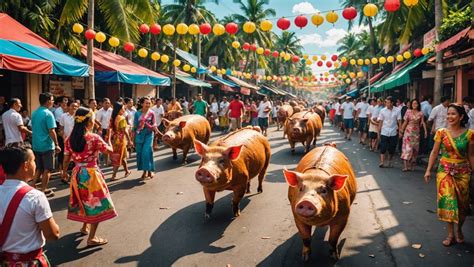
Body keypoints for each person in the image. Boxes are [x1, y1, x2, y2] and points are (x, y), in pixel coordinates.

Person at [62, 107, 116, 247]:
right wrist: (108, 138)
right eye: (92, 119)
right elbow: (110, 151)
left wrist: (64, 172)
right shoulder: (94, 138)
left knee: (83, 201)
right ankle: (91, 238)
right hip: (91, 174)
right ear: (89, 122)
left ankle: (85, 227)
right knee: (95, 204)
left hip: (77, 174)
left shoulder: (70, 139)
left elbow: (66, 158)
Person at [0, 144, 60, 266]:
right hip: (29, 262)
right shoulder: (35, 197)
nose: (36, 164)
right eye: (33, 160)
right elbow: (53, 235)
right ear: (26, 165)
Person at [424, 103, 473, 246]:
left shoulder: (470, 134)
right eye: (448, 113)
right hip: (444, 172)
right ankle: (450, 234)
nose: (450, 116)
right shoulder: (441, 132)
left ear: (461, 116)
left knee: (463, 206)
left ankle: (459, 230)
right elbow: (434, 152)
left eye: (453, 114)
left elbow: (471, 155)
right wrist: (428, 170)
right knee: (448, 202)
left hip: (463, 172)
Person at [31, 93, 60, 197]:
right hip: (47, 145)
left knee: (39, 168)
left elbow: (31, 127)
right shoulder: (48, 114)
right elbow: (52, 131)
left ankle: (33, 185)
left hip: (36, 144)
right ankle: (43, 191)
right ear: (48, 101)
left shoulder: (34, 113)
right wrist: (57, 144)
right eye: (52, 100)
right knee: (47, 169)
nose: (53, 102)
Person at [399, 99, 427, 171]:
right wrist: (401, 131)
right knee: (407, 148)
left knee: (414, 149)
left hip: (416, 133)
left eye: (416, 103)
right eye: (413, 103)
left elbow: (423, 122)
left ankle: (412, 166)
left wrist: (426, 131)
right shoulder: (408, 112)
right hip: (408, 132)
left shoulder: (421, 113)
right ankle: (406, 166)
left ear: (418, 105)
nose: (414, 105)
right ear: (411, 105)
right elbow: (405, 122)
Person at [134, 97, 158, 180]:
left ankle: (148, 171)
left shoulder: (152, 113)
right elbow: (135, 126)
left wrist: (151, 126)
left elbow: (154, 124)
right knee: (140, 153)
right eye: (146, 103)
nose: (148, 104)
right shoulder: (137, 113)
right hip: (139, 135)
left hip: (149, 135)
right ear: (142, 104)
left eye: (149, 103)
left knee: (146, 152)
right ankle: (145, 170)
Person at [109, 102, 132, 181]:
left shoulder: (113, 117)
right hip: (121, 139)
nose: (124, 109)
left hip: (114, 139)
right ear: (119, 109)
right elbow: (124, 130)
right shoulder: (121, 118)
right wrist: (129, 140)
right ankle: (113, 176)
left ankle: (127, 171)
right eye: (122, 108)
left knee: (123, 156)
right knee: (118, 157)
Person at [377, 97, 401, 168]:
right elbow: (381, 121)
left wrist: (400, 131)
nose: (386, 104)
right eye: (386, 102)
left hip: (393, 131)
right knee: (383, 147)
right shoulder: (382, 111)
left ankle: (389, 161)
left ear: (392, 103)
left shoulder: (397, 110)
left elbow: (399, 121)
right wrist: (379, 131)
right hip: (384, 131)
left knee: (392, 148)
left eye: (388, 102)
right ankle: (382, 162)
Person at [96, 98, 113, 166]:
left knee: (112, 144)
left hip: (112, 130)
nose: (107, 104)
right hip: (104, 130)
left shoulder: (112, 110)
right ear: (102, 104)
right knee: (105, 146)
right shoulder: (100, 111)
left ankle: (112, 160)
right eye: (106, 103)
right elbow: (97, 121)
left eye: (108, 103)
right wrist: (99, 129)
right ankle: (106, 161)